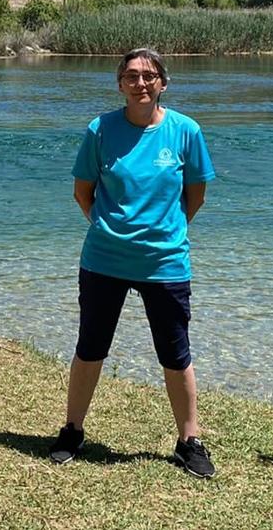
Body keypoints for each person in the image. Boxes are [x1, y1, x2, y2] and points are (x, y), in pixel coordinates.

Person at [50, 48, 217, 478]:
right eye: (130, 76)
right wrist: (111, 230)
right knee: (90, 348)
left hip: (165, 262)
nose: (140, 83)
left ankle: (189, 441)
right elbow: (82, 192)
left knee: (176, 353)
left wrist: (164, 230)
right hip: (104, 259)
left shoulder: (186, 131)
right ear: (119, 84)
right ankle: (72, 430)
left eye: (148, 75)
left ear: (163, 82)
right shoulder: (100, 129)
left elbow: (194, 195)